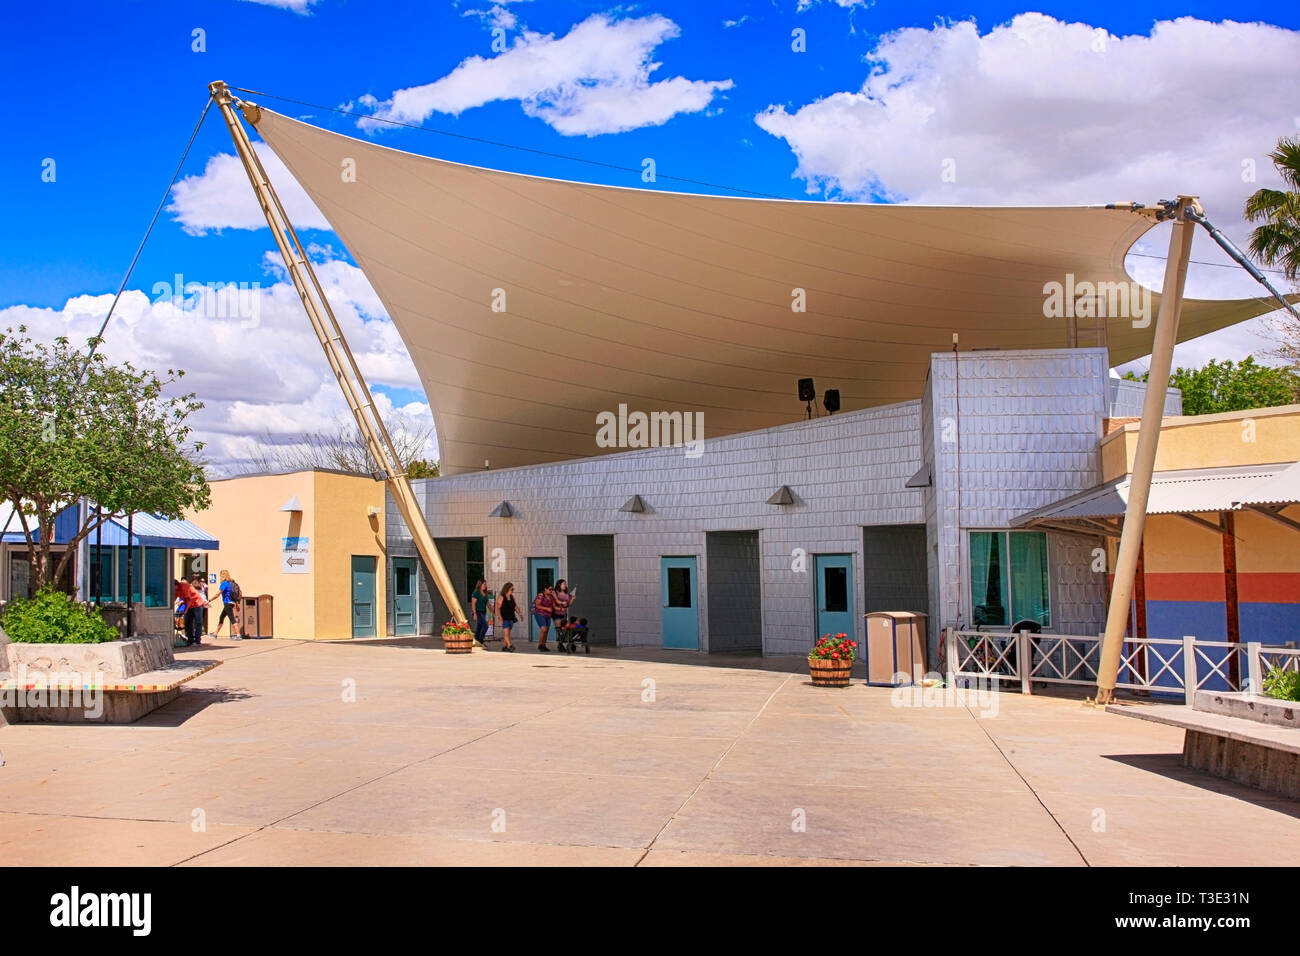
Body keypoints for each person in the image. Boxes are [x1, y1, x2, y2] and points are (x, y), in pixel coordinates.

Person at [174, 577, 206, 646]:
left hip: (197, 604)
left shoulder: (184, 586)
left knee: (198, 622)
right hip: (189, 605)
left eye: (174, 588)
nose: (174, 590)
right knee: (188, 623)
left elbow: (189, 600)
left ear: (176, 585)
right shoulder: (176, 590)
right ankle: (190, 640)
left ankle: (197, 641)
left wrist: (185, 610)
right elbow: (174, 598)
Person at [213, 569, 240, 639]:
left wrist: (209, 600)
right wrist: (237, 604)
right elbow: (236, 594)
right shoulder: (230, 583)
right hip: (231, 603)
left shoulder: (224, 583)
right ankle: (215, 633)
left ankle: (238, 635)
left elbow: (218, 594)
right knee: (221, 617)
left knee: (232, 619)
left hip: (227, 603)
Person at [495, 582, 518, 652]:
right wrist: (500, 617)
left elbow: (515, 606)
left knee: (508, 632)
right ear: (507, 589)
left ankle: (504, 646)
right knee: (506, 632)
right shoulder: (501, 597)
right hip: (504, 617)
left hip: (511, 617)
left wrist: (520, 614)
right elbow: (498, 608)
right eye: (512, 589)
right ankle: (510, 645)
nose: (513, 590)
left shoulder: (512, 597)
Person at [532, 584, 555, 652]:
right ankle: (540, 645)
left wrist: (562, 607)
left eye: (552, 590)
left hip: (547, 615)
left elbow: (553, 606)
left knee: (546, 630)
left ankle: (544, 645)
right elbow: (537, 605)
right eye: (550, 589)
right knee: (544, 629)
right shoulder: (541, 595)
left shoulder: (551, 597)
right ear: (545, 589)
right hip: (539, 614)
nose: (551, 591)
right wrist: (547, 608)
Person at [471, 579, 493, 648]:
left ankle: (476, 641)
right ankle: (480, 641)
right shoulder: (476, 593)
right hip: (478, 612)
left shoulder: (485, 594)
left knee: (479, 628)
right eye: (484, 584)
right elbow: (473, 604)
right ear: (480, 585)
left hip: (483, 612)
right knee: (485, 626)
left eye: (486, 585)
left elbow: (487, 603)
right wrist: (474, 613)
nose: (485, 586)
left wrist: (492, 609)